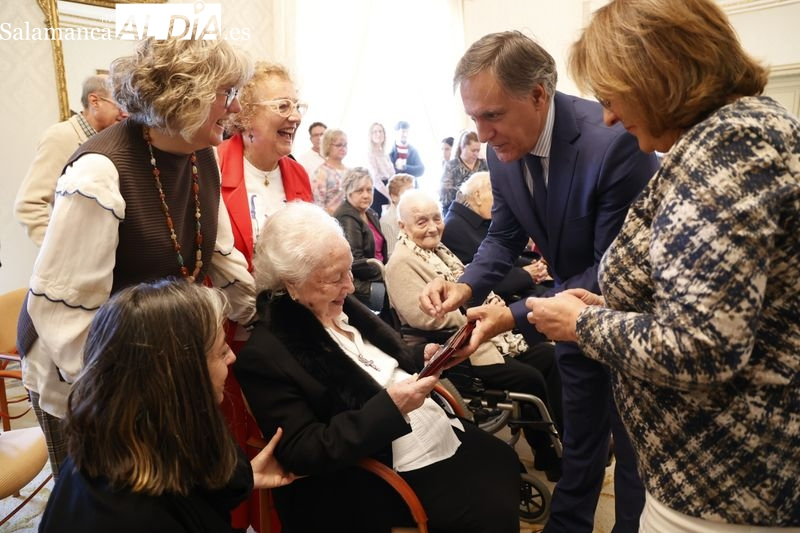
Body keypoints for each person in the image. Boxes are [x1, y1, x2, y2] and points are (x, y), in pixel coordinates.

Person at [526, 0, 800, 529]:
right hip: (712, 479)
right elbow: (714, 300)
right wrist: (608, 304)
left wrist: (583, 324)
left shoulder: (729, 149)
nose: (608, 116)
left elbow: (703, 346)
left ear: (655, 76)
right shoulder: (727, 138)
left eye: (611, 97)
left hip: (725, 486)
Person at [419, 31, 660, 533]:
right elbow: (502, 236)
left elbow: (613, 269)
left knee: (634, 458)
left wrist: (513, 315)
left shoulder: (614, 142)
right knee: (581, 446)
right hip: (564, 322)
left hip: (628, 323)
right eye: (473, 118)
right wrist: (465, 287)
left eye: (492, 115)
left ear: (537, 94)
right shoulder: (500, 151)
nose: (482, 134)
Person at [17, 37, 257, 480]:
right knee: (97, 496)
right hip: (79, 368)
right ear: (187, 96)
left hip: (143, 357)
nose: (236, 107)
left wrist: (260, 317)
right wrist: (120, 402)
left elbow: (221, 256)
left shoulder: (202, 154)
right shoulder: (98, 173)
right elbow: (64, 319)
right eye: (227, 93)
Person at [234, 201, 521, 533]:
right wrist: (391, 407)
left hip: (426, 430)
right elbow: (303, 450)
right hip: (370, 473)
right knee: (487, 514)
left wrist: (423, 355)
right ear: (291, 283)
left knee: (502, 458)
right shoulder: (264, 356)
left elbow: (380, 363)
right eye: (335, 277)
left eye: (349, 270)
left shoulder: (338, 303)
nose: (350, 286)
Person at [39, 280, 295, 533]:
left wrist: (244, 477)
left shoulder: (141, 438)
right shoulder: (136, 517)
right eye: (221, 351)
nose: (232, 357)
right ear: (183, 377)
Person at [385, 189, 562, 479]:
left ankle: (565, 437)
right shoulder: (400, 263)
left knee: (548, 355)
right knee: (529, 379)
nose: (432, 227)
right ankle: (547, 454)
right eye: (421, 221)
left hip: (484, 336)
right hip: (453, 349)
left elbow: (471, 288)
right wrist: (480, 313)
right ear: (402, 226)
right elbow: (424, 317)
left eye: (436, 218)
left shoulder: (440, 251)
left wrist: (488, 309)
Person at [215, 60, 313, 531]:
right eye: (283, 105)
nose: (295, 115)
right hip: (231, 336)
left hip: (290, 331)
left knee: (283, 434)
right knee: (233, 440)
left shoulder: (297, 174)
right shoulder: (212, 167)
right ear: (247, 114)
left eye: (298, 104)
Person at [14, 74, 128, 246]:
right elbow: (28, 205)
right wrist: (58, 251)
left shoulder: (113, 139)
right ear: (94, 101)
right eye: (119, 105)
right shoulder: (60, 137)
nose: (124, 113)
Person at [442, 171, 550, 302]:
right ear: (478, 196)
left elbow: (504, 252)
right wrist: (526, 274)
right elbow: (477, 276)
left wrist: (533, 265)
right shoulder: (454, 228)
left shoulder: (474, 220)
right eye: (496, 193)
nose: (502, 200)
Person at [333, 167, 388, 311]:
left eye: (369, 190)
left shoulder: (371, 213)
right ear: (348, 192)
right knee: (397, 295)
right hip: (358, 282)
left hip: (378, 274)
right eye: (360, 190)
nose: (366, 195)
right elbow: (355, 262)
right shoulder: (346, 217)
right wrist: (386, 274)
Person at [439, 130, 488, 215]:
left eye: (478, 150)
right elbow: (445, 196)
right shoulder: (451, 166)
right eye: (473, 150)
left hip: (483, 211)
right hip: (459, 212)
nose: (476, 154)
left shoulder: (484, 164)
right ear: (462, 147)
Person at [312, 128, 348, 214]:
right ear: (328, 146)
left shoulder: (349, 171)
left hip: (350, 218)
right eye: (339, 145)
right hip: (331, 219)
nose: (343, 148)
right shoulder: (321, 172)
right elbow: (318, 205)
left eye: (345, 145)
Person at [379, 172, 414, 257]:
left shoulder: (414, 213)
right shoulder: (386, 222)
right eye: (407, 194)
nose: (413, 197)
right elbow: (392, 255)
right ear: (393, 197)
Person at [365, 122, 394, 216]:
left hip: (388, 188)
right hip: (377, 192)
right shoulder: (369, 154)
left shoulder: (385, 153)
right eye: (375, 132)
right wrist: (390, 197)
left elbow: (392, 174)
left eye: (381, 131)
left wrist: (394, 193)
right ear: (370, 135)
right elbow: (376, 180)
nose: (378, 134)